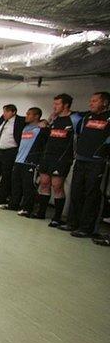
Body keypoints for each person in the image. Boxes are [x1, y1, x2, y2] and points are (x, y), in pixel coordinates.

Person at [59, 92, 110, 237]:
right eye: (90, 100)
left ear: (105, 103)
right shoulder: (87, 117)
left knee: (91, 195)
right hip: (81, 159)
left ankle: (86, 228)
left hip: (97, 163)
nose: (91, 103)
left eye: (94, 101)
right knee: (75, 192)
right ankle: (72, 223)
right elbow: (76, 128)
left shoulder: (108, 118)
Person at [31, 94, 81, 224]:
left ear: (66, 105)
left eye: (57, 104)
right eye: (54, 104)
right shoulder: (53, 118)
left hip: (62, 158)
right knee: (44, 183)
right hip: (47, 156)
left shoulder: (74, 119)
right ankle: (41, 212)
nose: (54, 107)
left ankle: (57, 217)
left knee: (57, 186)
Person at [0, 107, 47, 216]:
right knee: (15, 184)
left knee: (28, 186)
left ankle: (27, 208)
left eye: (29, 114)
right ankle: (13, 204)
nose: (26, 116)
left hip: (30, 162)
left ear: (36, 116)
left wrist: (45, 122)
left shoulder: (42, 129)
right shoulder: (25, 127)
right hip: (18, 160)